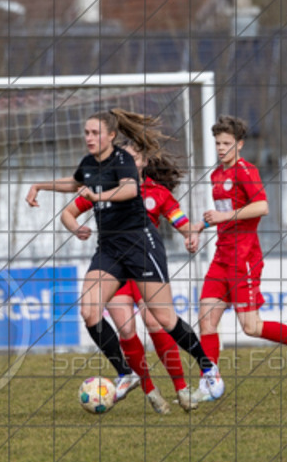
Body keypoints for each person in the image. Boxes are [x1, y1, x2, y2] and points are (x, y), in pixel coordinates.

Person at [25, 108, 223, 404]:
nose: (89, 138)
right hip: (109, 249)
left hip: (140, 245)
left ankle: (208, 369)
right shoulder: (92, 165)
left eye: (95, 133)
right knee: (89, 310)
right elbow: (76, 183)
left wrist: (100, 196)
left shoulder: (123, 162)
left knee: (164, 319)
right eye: (87, 132)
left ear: (111, 136)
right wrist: (41, 186)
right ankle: (125, 373)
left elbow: (130, 189)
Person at [197, 115, 287, 402]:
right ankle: (210, 383)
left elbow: (262, 206)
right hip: (221, 257)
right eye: (217, 143)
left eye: (226, 143)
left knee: (251, 327)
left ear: (239, 144)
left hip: (243, 259)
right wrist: (201, 227)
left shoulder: (245, 171)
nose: (221, 148)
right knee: (206, 322)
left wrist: (225, 215)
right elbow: (224, 215)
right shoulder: (216, 175)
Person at [61, 142, 201, 413]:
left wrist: (190, 236)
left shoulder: (157, 193)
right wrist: (76, 227)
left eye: (132, 158)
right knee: (125, 328)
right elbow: (68, 212)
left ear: (144, 162)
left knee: (155, 322)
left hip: (145, 265)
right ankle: (150, 392)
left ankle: (182, 389)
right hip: (115, 265)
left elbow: (180, 220)